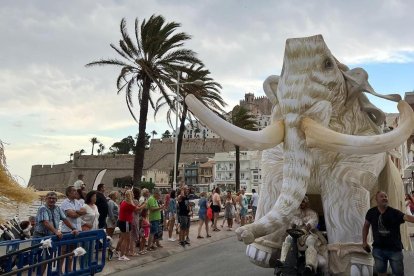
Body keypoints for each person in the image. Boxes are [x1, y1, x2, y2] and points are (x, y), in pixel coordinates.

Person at [362, 191, 414, 276]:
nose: (384, 198)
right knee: (381, 273)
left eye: (386, 196)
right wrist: (364, 242)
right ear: (376, 199)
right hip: (378, 249)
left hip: (394, 250)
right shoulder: (371, 212)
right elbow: (366, 226)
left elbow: (406, 217)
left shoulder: (394, 212)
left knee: (398, 274)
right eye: (382, 196)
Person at [276, 196, 325, 274]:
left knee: (311, 241)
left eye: (303, 202)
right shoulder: (294, 213)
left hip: (308, 234)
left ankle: (309, 266)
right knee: (288, 239)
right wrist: (293, 225)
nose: (301, 204)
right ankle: (282, 261)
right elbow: (291, 225)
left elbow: (311, 224)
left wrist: (304, 229)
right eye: (300, 202)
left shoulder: (312, 213)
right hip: (296, 235)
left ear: (306, 203)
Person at [117, 190, 140, 261]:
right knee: (126, 239)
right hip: (126, 222)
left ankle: (117, 250)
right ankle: (122, 255)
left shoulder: (124, 201)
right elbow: (137, 209)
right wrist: (144, 204)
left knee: (123, 237)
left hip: (122, 221)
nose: (133, 195)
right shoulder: (129, 204)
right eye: (132, 194)